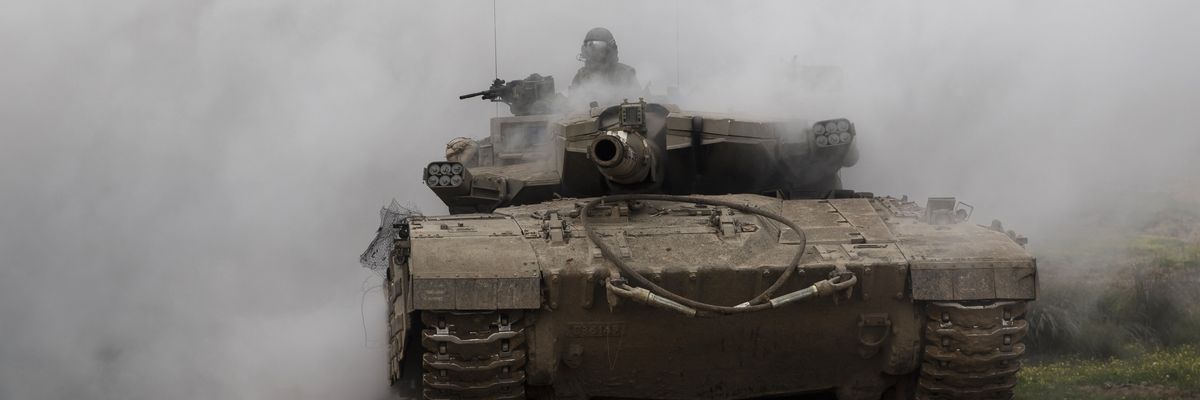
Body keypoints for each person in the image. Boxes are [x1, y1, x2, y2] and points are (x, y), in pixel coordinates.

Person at [569, 27, 640, 105]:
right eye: (589, 45)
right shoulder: (580, 77)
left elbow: (637, 103)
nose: (593, 49)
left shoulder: (626, 74)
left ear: (610, 48)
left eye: (598, 45)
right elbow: (572, 105)